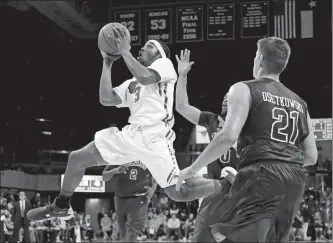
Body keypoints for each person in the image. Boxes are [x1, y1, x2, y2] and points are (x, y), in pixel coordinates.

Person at [27, 27, 233, 222]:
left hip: (155, 137)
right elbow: (106, 98)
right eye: (143, 46)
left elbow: (145, 77)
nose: (143, 48)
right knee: (77, 158)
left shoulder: (164, 66)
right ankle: (62, 205)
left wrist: (125, 51)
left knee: (179, 193)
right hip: (131, 135)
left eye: (149, 46)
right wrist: (107, 64)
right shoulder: (131, 83)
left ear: (159, 55)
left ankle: (226, 185)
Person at [176, 36, 318, 242]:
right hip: (292, 178)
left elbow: (227, 137)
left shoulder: (245, 90)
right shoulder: (300, 103)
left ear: (260, 59)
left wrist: (191, 169)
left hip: (257, 178)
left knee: (220, 235)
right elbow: (311, 156)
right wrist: (283, 160)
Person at [175, 49, 238, 242]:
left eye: (231, 97)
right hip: (214, 188)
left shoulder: (247, 124)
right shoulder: (212, 120)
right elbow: (182, 107)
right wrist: (182, 76)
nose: (226, 99)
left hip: (240, 190)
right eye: (225, 97)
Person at [102, 160, 158, 242]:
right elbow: (104, 176)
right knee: (123, 235)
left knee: (132, 233)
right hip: (120, 198)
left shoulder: (146, 155)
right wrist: (116, 170)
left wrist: (153, 188)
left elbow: (157, 175)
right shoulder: (119, 156)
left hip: (139, 198)